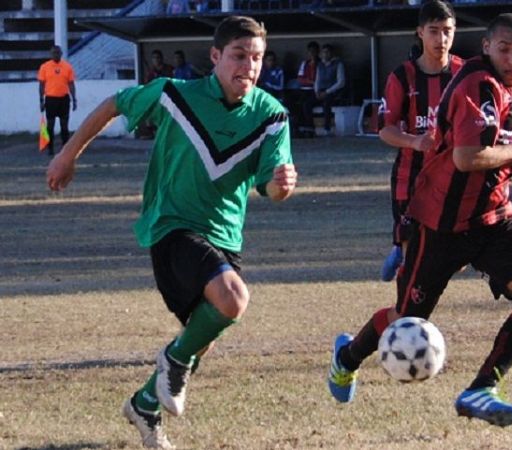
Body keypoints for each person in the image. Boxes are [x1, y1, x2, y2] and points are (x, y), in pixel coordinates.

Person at [46, 16, 297, 449]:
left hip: (225, 237)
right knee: (233, 299)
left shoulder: (271, 115)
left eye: (256, 58)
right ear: (216, 57)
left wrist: (281, 185)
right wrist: (67, 155)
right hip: (172, 226)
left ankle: (145, 405)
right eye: (239, 56)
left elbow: (269, 189)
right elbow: (114, 105)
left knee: (203, 337)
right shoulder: (174, 95)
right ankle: (171, 363)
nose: (248, 67)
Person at [327, 13, 512, 428]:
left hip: (493, 217)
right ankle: (346, 357)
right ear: (486, 47)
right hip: (441, 224)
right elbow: (466, 158)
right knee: (405, 320)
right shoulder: (477, 85)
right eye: (504, 47)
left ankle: (481, 389)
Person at [377, 0, 462, 282]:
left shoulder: (465, 74)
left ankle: (400, 255)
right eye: (434, 31)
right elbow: (385, 130)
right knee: (415, 264)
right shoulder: (402, 76)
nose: (441, 39)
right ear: (420, 33)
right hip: (410, 175)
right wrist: (414, 142)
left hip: (453, 176)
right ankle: (403, 258)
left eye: (447, 31)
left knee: (453, 258)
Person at [38, 45, 76, 156]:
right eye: (53, 53)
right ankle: (50, 149)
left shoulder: (67, 67)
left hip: (64, 99)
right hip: (50, 99)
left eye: (57, 53)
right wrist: (41, 100)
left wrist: (74, 99)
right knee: (50, 125)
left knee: (64, 125)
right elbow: (41, 85)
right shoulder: (45, 67)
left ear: (61, 54)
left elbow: (71, 84)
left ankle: (65, 149)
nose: (56, 55)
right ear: (50, 54)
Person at [303, 44, 345, 137]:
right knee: (307, 104)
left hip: (332, 91)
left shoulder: (338, 64)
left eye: (327, 52)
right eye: (323, 52)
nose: (325, 54)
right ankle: (311, 128)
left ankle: (327, 128)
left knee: (326, 104)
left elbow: (341, 82)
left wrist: (327, 92)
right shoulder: (320, 65)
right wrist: (316, 91)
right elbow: (317, 80)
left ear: (331, 53)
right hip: (320, 91)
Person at [293, 41, 320, 137]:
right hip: (304, 90)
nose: (312, 53)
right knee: (295, 103)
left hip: (316, 91)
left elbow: (318, 79)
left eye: (314, 51)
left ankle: (310, 128)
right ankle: (298, 128)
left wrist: (311, 81)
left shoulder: (320, 64)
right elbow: (300, 78)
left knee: (306, 105)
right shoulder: (305, 63)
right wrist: (310, 81)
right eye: (310, 51)